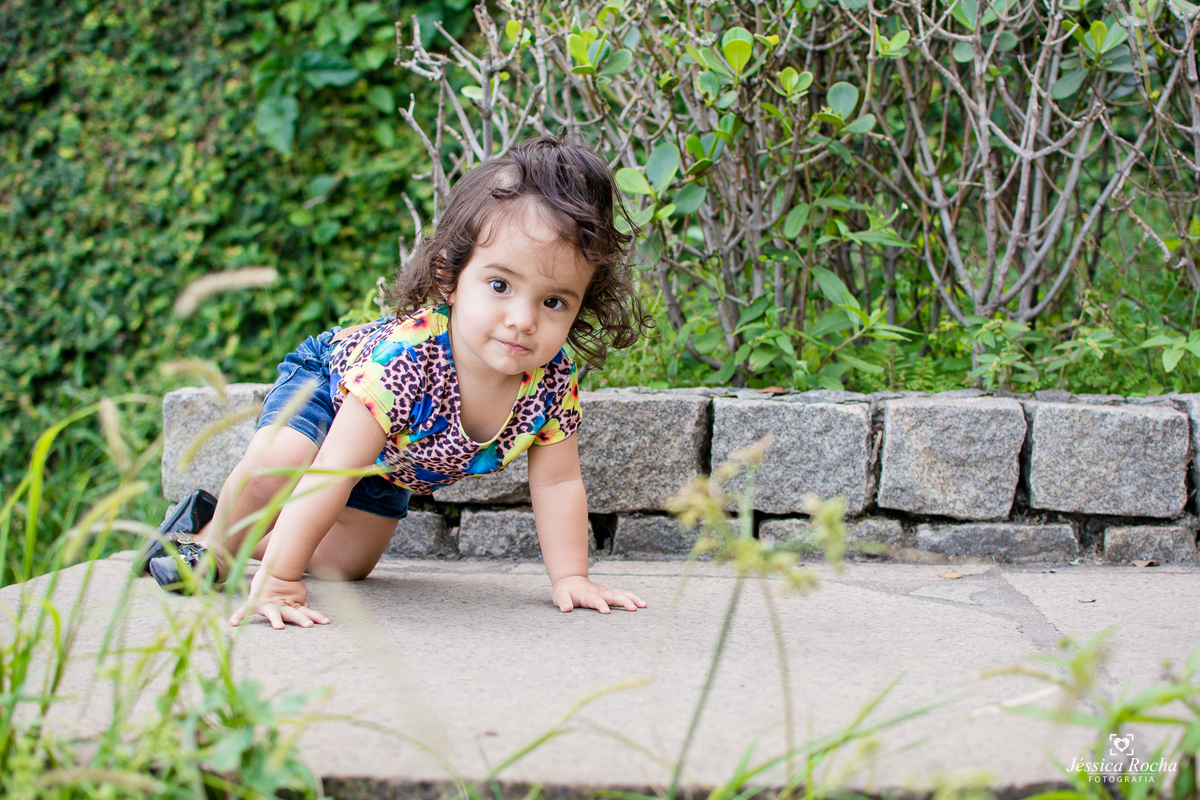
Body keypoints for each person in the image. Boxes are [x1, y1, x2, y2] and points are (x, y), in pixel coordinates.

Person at [139, 136, 651, 629]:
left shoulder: (551, 379)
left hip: (389, 463)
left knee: (344, 566)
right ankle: (213, 540)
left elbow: (558, 481)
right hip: (333, 390)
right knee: (282, 463)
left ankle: (222, 525)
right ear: (451, 276)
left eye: (554, 301)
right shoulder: (409, 360)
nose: (523, 319)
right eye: (500, 285)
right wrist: (278, 582)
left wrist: (571, 577)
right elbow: (332, 471)